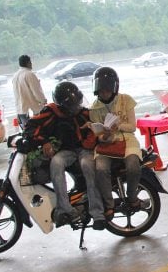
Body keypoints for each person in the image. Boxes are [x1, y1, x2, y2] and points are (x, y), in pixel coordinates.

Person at [20, 81, 106, 229]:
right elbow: (30, 126)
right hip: (66, 151)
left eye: (77, 104)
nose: (76, 108)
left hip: (85, 150)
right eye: (72, 106)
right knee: (56, 162)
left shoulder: (84, 112)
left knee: (88, 166)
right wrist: (45, 141)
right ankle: (65, 209)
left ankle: (97, 213)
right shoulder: (50, 111)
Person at [90, 67, 147, 221]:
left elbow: (132, 127)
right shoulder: (94, 108)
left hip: (127, 140)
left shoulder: (125, 100)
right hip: (107, 144)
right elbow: (98, 136)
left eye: (107, 91)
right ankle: (109, 205)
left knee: (133, 165)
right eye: (101, 91)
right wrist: (105, 136)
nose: (104, 94)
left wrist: (118, 126)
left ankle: (132, 196)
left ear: (114, 88)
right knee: (101, 169)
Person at [11, 54, 47, 129]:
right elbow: (36, 92)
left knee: (27, 134)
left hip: (20, 111)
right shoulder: (29, 74)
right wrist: (43, 101)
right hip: (33, 110)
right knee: (38, 133)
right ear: (28, 63)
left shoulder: (15, 76)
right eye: (30, 62)